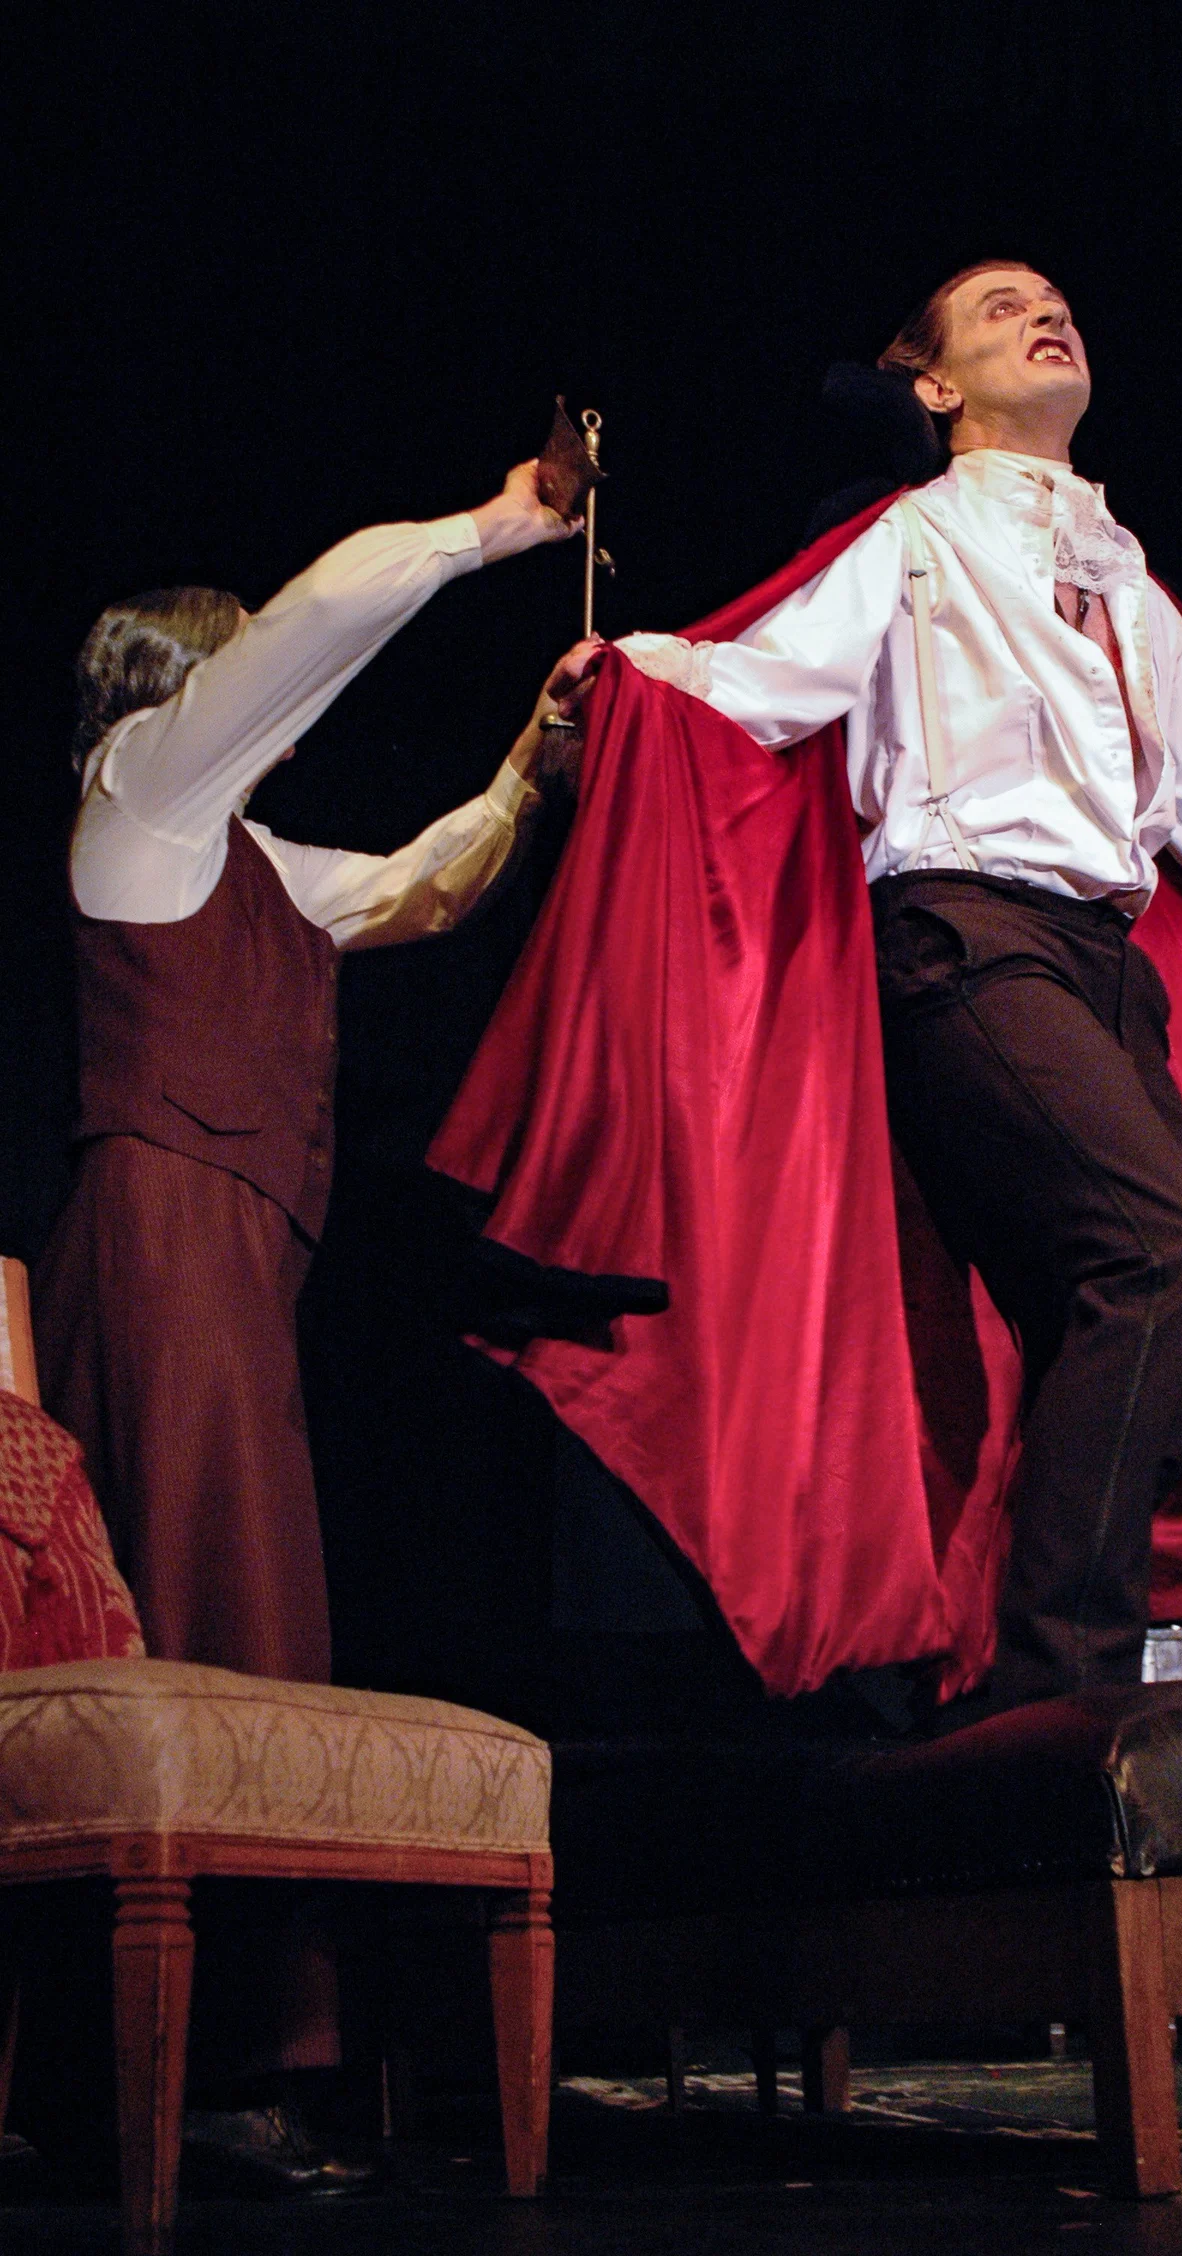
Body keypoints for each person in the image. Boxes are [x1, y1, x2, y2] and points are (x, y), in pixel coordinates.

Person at [608, 262, 1182, 1720]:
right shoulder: (914, 537)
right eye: (998, 309)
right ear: (934, 387)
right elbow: (766, 681)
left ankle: (1000, 1682)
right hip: (967, 935)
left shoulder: (1128, 580)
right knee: (1158, 1257)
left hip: (1107, 971)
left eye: (1054, 301)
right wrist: (623, 677)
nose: (1044, 314)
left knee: (1129, 1335)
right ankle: (1063, 1693)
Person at [33, 459, 594, 2186]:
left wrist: (527, 763)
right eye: (237, 677)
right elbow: (324, 618)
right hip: (162, 1251)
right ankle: (177, 2068)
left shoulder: (251, 866)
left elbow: (424, 887)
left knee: (258, 1620)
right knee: (202, 1608)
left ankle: (232, 2057)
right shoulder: (139, 802)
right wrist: (497, 529)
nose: (265, 702)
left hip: (242, 1273)